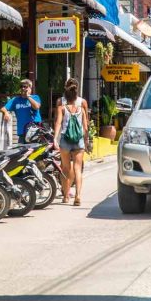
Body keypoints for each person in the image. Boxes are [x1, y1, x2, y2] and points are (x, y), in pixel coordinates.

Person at [52, 77, 90, 206]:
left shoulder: (61, 105)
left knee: (65, 169)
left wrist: (55, 139)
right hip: (78, 140)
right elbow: (85, 127)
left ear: (65, 89)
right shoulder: (82, 105)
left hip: (65, 140)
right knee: (78, 169)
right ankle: (78, 196)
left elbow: (57, 123)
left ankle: (66, 196)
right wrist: (87, 141)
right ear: (76, 89)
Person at [0, 78, 41, 144]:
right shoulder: (15, 100)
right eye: (21, 86)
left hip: (34, 132)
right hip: (22, 132)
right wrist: (6, 113)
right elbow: (3, 108)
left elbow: (36, 107)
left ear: (30, 88)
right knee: (21, 153)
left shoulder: (35, 97)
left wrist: (28, 96)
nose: (22, 88)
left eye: (25, 87)